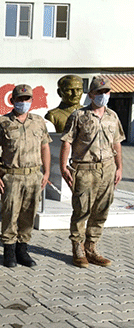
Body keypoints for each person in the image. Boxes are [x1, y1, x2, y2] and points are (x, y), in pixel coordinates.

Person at [60, 77, 124, 268]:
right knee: (81, 210)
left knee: (101, 211)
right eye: (99, 93)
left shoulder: (113, 116)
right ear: (91, 95)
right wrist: (63, 167)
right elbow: (66, 142)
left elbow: (117, 143)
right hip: (85, 169)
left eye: (106, 93)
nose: (103, 96)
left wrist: (119, 167)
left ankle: (91, 247)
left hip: (107, 169)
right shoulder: (78, 116)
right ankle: (77, 249)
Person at [0, 84, 52, 268]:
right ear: (12, 100)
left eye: (27, 99)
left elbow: (45, 147)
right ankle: (8, 251)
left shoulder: (39, 121)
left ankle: (22, 250)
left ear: (31, 101)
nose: (23, 102)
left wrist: (47, 172)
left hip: (33, 176)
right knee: (10, 214)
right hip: (11, 176)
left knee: (28, 214)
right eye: (20, 99)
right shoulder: (2, 122)